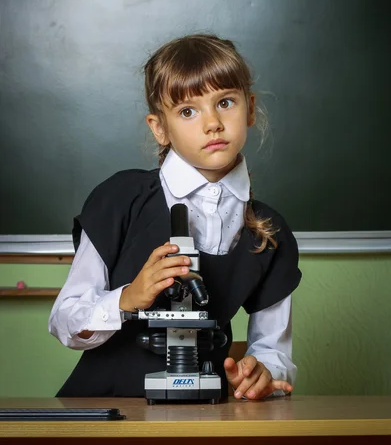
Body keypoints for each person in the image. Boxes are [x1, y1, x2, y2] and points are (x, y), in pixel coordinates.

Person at [49, 34, 302, 400]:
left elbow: (273, 350)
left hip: (204, 416)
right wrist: (127, 298)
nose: (212, 123)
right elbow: (64, 321)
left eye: (225, 102)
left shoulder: (269, 232)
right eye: (188, 111)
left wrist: (261, 373)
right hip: (104, 412)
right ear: (159, 127)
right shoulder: (120, 199)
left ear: (249, 108)